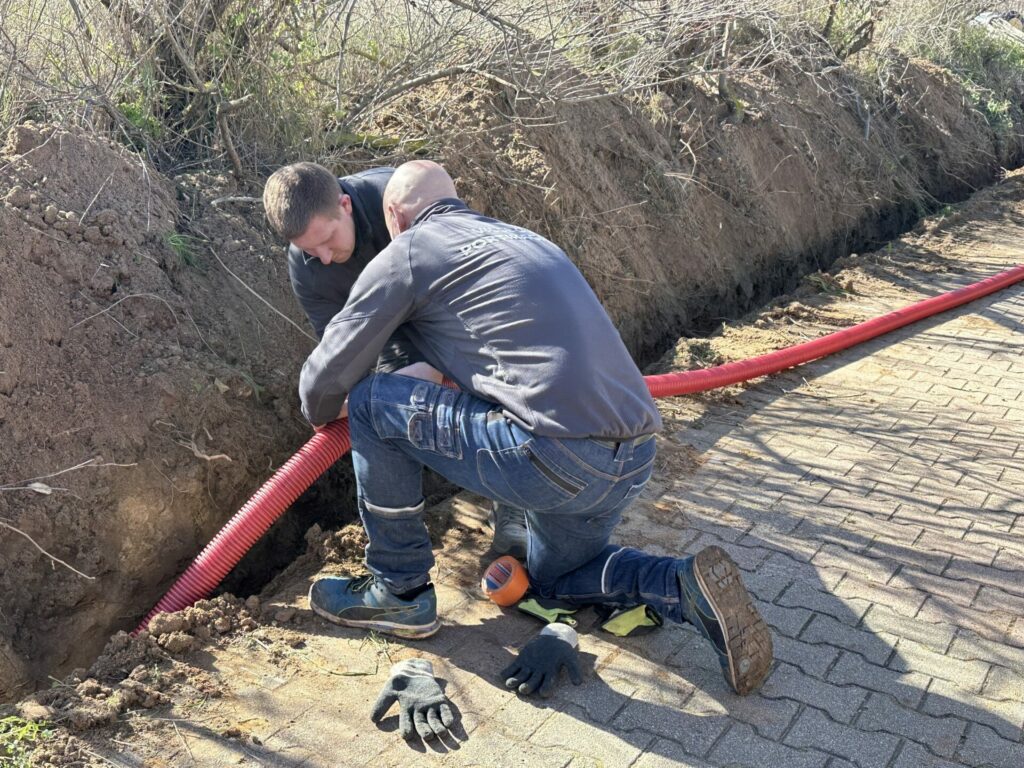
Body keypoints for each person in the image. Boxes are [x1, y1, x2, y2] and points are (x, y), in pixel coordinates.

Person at [298, 160, 773, 696]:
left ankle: (398, 591)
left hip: (554, 458)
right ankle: (681, 585)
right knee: (555, 579)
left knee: (367, 401)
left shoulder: (408, 250)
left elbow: (325, 382)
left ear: (394, 215)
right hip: (632, 458)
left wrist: (330, 410)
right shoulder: (526, 240)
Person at [263, 162, 526, 556]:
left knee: (485, 380)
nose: (325, 258)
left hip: (445, 301)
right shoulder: (307, 266)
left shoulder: (401, 200)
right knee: (383, 410)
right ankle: (399, 549)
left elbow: (468, 283)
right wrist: (342, 403)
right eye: (309, 249)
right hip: (385, 325)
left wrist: (437, 366)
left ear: (345, 205)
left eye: (328, 239)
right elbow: (341, 346)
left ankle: (514, 508)